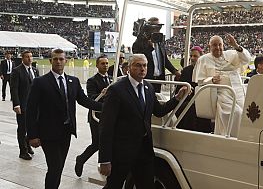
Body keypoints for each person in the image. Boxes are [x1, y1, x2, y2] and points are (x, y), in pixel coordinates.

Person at [98, 54, 190, 188]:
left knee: (146, 185)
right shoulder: (116, 90)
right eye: (138, 65)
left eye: (145, 65)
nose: (142, 68)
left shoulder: (148, 88)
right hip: (122, 151)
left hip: (144, 150)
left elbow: (158, 111)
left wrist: (176, 98)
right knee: (114, 185)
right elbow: (106, 126)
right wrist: (105, 159)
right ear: (129, 68)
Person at [26, 49, 103, 189]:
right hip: (48, 134)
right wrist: (32, 135)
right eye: (55, 59)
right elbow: (30, 110)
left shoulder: (73, 81)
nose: (58, 62)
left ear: (66, 61)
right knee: (55, 167)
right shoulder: (40, 82)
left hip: (66, 132)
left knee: (59, 167)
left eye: (61, 59)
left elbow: (84, 100)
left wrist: (105, 107)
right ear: (50, 61)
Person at [192, 34, 251, 136]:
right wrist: (211, 80)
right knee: (236, 113)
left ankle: (244, 138)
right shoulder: (204, 59)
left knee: (246, 114)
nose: (218, 48)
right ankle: (232, 138)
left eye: (220, 45)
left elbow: (246, 59)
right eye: (215, 45)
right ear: (209, 46)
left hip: (238, 91)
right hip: (222, 93)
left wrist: (236, 46)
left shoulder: (232, 54)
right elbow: (200, 81)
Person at [75, 55, 110, 177]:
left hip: (108, 116)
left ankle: (104, 164)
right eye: (102, 63)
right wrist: (103, 94)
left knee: (106, 142)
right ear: (97, 65)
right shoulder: (92, 81)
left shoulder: (111, 79)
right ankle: (81, 159)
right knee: (97, 143)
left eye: (106, 63)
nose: (105, 65)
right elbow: (91, 98)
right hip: (96, 117)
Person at [132, 17, 180, 92]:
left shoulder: (160, 42)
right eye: (155, 28)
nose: (158, 30)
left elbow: (164, 60)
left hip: (158, 81)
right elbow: (139, 60)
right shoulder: (139, 43)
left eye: (159, 28)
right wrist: (149, 47)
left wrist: (175, 71)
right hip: (146, 80)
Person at [10, 50, 39, 160]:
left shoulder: (35, 70)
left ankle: (28, 144)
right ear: (22, 58)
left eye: (31, 57)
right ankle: (23, 151)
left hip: (34, 105)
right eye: (27, 57)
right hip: (22, 105)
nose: (30, 59)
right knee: (22, 128)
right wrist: (16, 104)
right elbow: (14, 89)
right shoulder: (17, 71)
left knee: (32, 126)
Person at [175, 46, 211, 132]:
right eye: (191, 56)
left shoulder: (207, 70)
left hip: (203, 101)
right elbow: (178, 90)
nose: (192, 58)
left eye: (195, 56)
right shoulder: (186, 70)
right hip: (188, 100)